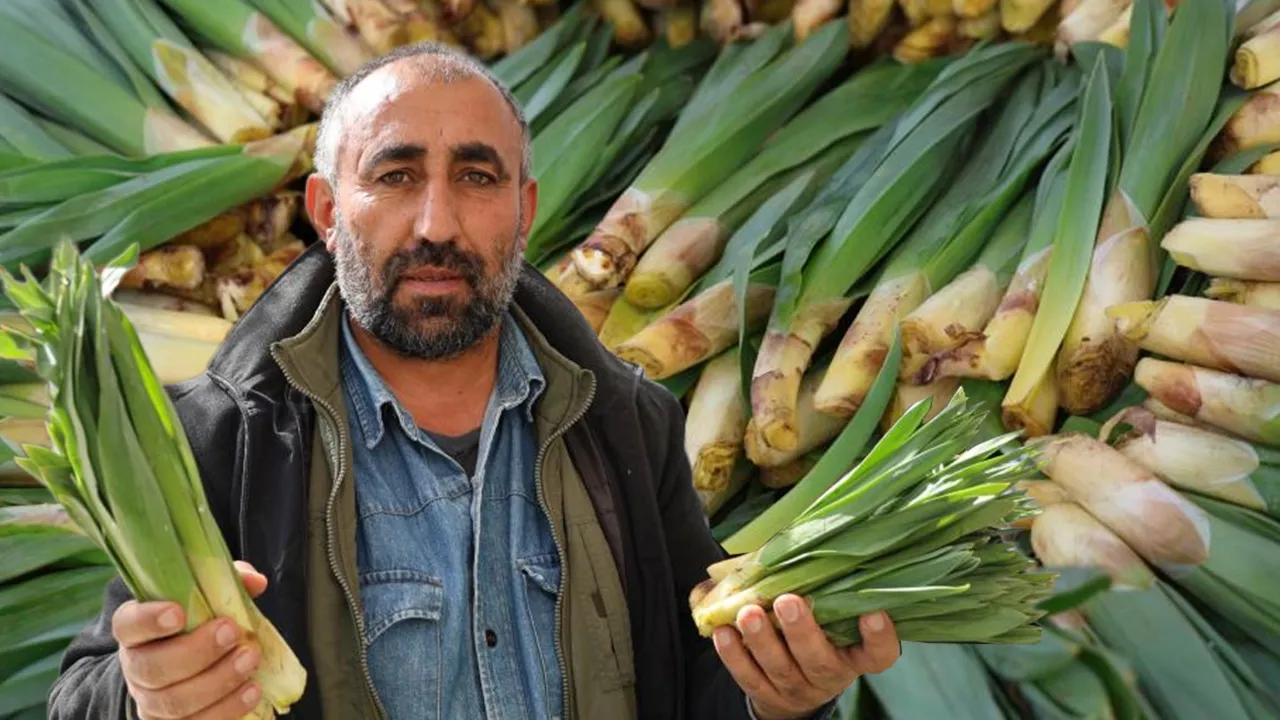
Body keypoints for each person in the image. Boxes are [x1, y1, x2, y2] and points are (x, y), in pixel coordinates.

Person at [46, 43, 901, 720]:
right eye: (395, 175)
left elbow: (695, 684)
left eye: (477, 178)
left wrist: (776, 698)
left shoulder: (626, 422)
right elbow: (81, 697)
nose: (437, 224)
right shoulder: (224, 439)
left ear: (524, 211)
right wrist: (146, 699)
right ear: (327, 210)